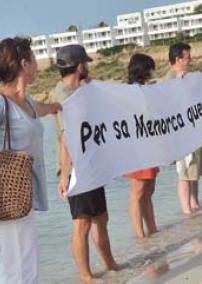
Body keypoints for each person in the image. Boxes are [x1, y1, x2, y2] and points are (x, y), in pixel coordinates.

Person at [54, 45, 118, 283]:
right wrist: (65, 176)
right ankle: (86, 277)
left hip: (90, 165)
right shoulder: (63, 96)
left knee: (101, 217)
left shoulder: (78, 90)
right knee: (81, 223)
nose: (88, 67)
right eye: (86, 64)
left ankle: (110, 264)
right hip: (76, 170)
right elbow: (66, 138)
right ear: (80, 66)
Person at [0, 37, 61, 284]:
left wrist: (60, 106)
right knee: (12, 268)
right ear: (25, 64)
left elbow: (45, 108)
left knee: (28, 261)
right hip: (6, 195)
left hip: (25, 196)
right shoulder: (2, 104)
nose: (37, 65)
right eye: (34, 59)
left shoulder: (27, 103)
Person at [164, 42, 202, 212]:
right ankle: (187, 210)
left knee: (195, 171)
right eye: (187, 58)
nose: (190, 61)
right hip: (182, 134)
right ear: (178, 59)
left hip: (196, 130)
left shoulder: (189, 76)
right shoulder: (170, 79)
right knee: (184, 172)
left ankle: (194, 203)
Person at [126, 53, 159, 239]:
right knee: (137, 191)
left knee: (148, 190)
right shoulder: (129, 91)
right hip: (137, 148)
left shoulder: (146, 89)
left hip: (150, 145)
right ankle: (140, 235)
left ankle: (152, 230)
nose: (152, 72)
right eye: (149, 68)